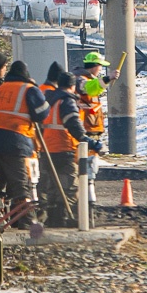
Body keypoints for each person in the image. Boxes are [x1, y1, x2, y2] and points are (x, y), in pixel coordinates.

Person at [0, 60, 50, 225]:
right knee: (20, 184)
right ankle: (24, 221)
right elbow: (43, 113)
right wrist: (35, 88)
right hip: (14, 141)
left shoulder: (1, 87)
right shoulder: (29, 89)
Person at [41, 69, 100, 227]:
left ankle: (52, 219)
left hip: (47, 149)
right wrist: (89, 141)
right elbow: (73, 124)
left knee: (53, 187)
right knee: (70, 187)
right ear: (73, 86)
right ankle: (63, 219)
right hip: (64, 147)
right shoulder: (67, 101)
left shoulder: (49, 99)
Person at [74, 51, 118, 204]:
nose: (101, 70)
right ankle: (85, 194)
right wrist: (107, 78)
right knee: (85, 161)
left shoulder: (90, 80)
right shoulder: (80, 80)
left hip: (92, 127)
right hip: (85, 128)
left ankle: (88, 190)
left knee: (90, 160)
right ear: (94, 66)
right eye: (100, 67)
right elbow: (89, 88)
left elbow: (95, 88)